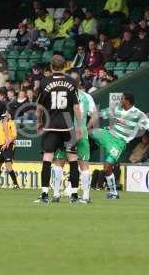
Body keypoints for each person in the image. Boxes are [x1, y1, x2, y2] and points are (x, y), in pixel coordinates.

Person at [91, 93, 149, 199]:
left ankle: (113, 192)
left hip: (119, 142)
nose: (120, 101)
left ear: (128, 101)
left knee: (107, 167)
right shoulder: (117, 108)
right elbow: (100, 114)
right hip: (108, 134)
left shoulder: (138, 114)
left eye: (122, 99)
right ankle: (78, 152)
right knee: (88, 133)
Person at [35, 55, 82, 203]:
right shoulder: (71, 82)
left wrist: (38, 122)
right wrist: (79, 126)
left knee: (47, 159)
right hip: (67, 126)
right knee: (73, 160)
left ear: (51, 66)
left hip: (51, 126)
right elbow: (76, 106)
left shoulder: (44, 82)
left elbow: (39, 107)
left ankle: (44, 195)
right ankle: (74, 195)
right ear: (64, 66)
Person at [52, 72, 96, 204]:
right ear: (80, 83)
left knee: (59, 162)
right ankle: (86, 196)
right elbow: (95, 115)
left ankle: (55, 194)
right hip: (81, 132)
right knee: (84, 165)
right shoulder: (87, 97)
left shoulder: (63, 94)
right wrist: (85, 127)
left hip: (64, 131)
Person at [0, 110, 19, 189]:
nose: (4, 117)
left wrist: (6, 144)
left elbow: (14, 136)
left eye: (5, 116)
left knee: (8, 166)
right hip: (1, 146)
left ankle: (16, 184)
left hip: (8, 146)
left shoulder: (11, 123)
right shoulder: (0, 123)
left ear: (8, 115)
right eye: (3, 116)